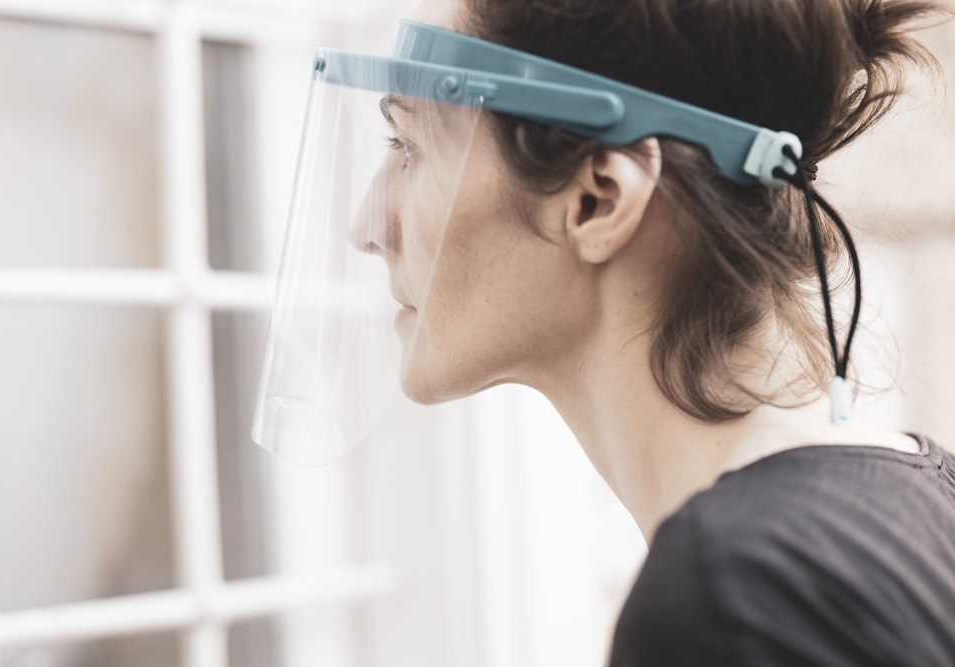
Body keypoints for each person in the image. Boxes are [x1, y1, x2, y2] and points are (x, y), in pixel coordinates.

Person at [254, 0, 955, 663]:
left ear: (599, 199)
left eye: (409, 148)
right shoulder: (929, 496)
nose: (367, 225)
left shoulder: (730, 598)